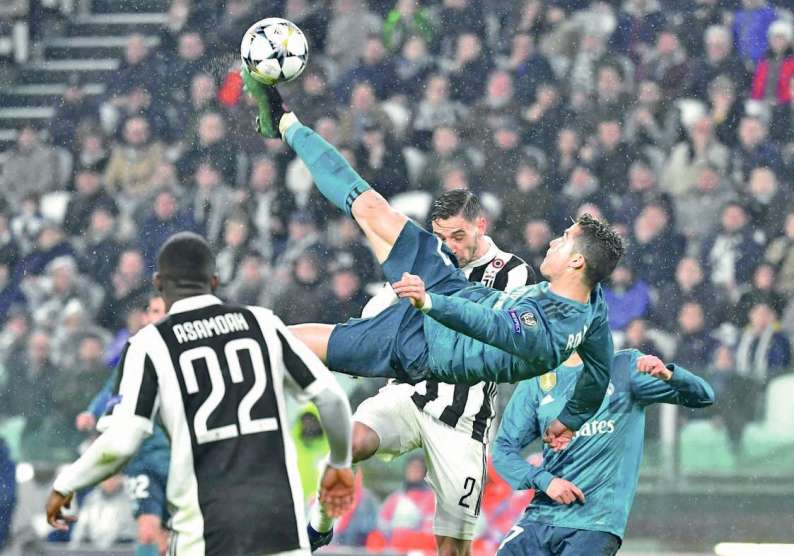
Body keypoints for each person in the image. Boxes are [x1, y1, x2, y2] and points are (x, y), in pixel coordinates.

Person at [243, 68, 624, 447]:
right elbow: (599, 371)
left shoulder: (546, 336)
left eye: (565, 240)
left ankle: (236, 349)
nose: (554, 241)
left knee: (310, 345)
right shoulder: (592, 304)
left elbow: (490, 325)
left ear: (577, 262)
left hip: (422, 345)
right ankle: (284, 122)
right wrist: (570, 419)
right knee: (373, 208)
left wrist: (429, 303)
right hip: (448, 285)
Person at [46, 232, 355, 556]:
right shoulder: (262, 324)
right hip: (279, 532)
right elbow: (331, 398)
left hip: (206, 536)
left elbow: (121, 443)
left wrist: (66, 483)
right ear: (215, 281)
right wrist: (339, 464)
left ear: (159, 283)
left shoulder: (150, 345)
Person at [314, 190, 536, 555]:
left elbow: (498, 331)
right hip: (409, 392)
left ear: (481, 225)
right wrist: (363, 344)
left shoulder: (514, 273)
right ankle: (318, 526)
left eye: (458, 236)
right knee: (350, 442)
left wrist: (431, 301)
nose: (450, 246)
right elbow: (377, 312)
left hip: (465, 417)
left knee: (452, 550)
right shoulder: (427, 259)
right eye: (441, 237)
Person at [493, 350, 714, 555]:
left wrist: (668, 375)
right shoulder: (538, 377)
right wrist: (546, 482)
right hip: (539, 518)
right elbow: (503, 450)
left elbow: (703, 396)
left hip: (594, 524)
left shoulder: (624, 366)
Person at [76, 294, 170, 556]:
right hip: (145, 455)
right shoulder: (137, 351)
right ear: (145, 317)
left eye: (164, 311)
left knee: (177, 530)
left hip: (180, 453)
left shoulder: (188, 350)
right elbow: (115, 390)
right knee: (148, 530)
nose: (159, 317)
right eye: (154, 311)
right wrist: (94, 412)